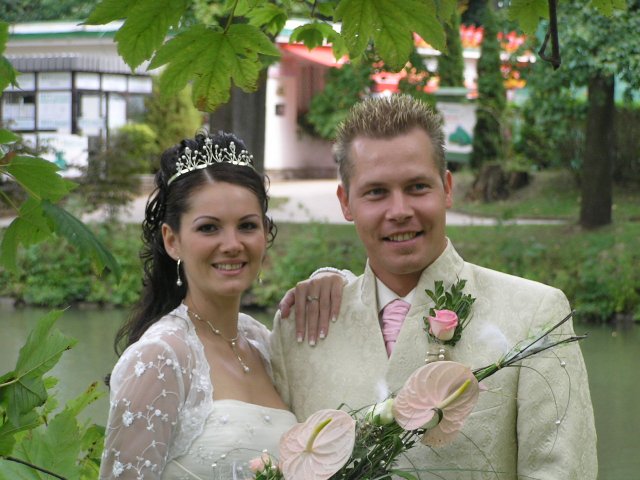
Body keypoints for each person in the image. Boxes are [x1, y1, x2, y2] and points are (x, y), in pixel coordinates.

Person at [271, 95, 598, 479]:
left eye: (417, 187)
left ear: (446, 188)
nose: (399, 211)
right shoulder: (300, 330)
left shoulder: (535, 314)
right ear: (346, 202)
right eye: (376, 192)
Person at [99, 131, 342, 479]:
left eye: (247, 226)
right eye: (209, 228)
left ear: (265, 234)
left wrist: (334, 277)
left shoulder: (262, 342)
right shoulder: (160, 357)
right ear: (172, 240)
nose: (232, 244)